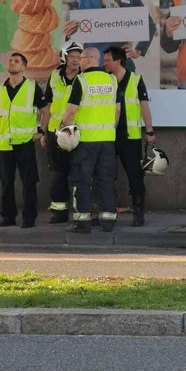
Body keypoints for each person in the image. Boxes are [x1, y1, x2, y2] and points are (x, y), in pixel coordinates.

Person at [61, 46, 120, 234]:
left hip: (85, 142)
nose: (79, 61)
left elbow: (71, 110)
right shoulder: (112, 80)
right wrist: (110, 129)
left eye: (81, 58)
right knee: (106, 181)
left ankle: (83, 221)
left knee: (82, 181)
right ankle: (108, 221)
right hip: (107, 140)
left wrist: (64, 129)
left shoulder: (82, 80)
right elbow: (117, 110)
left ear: (87, 59)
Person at [0, 52, 48, 229]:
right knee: (6, 183)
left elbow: (46, 111)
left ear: (23, 67)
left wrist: (41, 131)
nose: (12, 63)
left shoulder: (32, 87)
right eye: (10, 60)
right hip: (5, 144)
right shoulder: (0, 89)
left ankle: (29, 219)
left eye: (16, 61)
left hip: (25, 143)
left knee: (29, 182)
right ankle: (8, 217)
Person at [103, 45, 155, 226]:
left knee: (135, 176)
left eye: (108, 60)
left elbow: (144, 106)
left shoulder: (135, 80)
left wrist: (149, 131)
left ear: (118, 61)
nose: (105, 63)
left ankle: (138, 212)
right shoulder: (104, 80)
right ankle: (107, 213)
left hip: (130, 137)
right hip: (107, 136)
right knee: (106, 175)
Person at [40, 40, 83, 224]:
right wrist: (42, 131)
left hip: (76, 133)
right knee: (58, 173)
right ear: (64, 57)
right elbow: (47, 106)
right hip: (54, 132)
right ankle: (59, 211)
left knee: (80, 172)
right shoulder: (55, 75)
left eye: (78, 57)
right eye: (72, 56)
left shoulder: (85, 77)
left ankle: (81, 211)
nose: (75, 60)